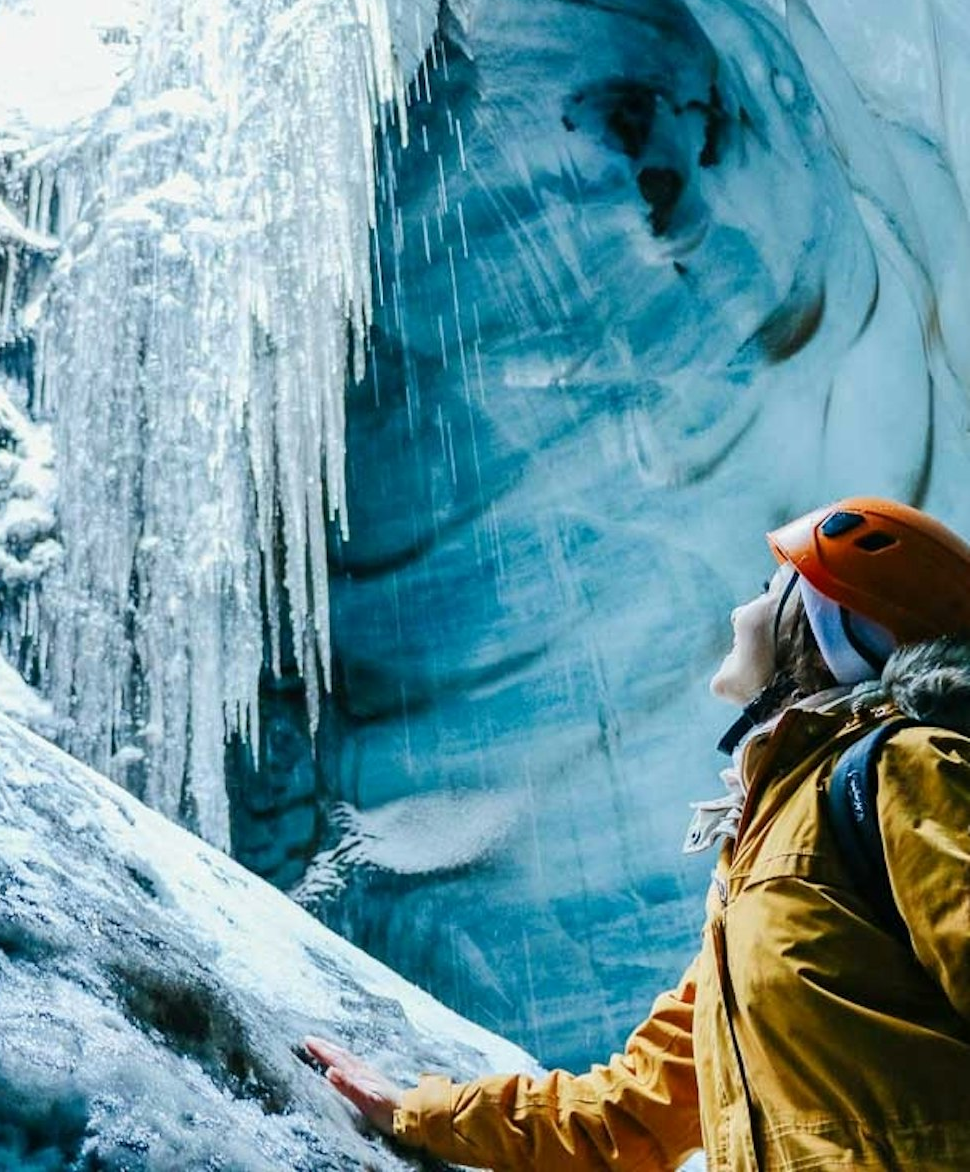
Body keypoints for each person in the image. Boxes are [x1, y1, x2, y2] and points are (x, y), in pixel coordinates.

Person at [304, 496, 970, 1170]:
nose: (740, 612)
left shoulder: (904, 768)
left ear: (832, 627)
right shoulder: (762, 855)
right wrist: (419, 1111)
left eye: (769, 590)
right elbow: (629, 1112)